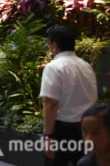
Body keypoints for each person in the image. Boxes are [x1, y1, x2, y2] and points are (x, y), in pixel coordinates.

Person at [42, 26, 98, 165]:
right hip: (86, 128)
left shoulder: (54, 67)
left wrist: (48, 136)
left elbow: (51, 103)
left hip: (63, 130)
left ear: (54, 44)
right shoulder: (86, 65)